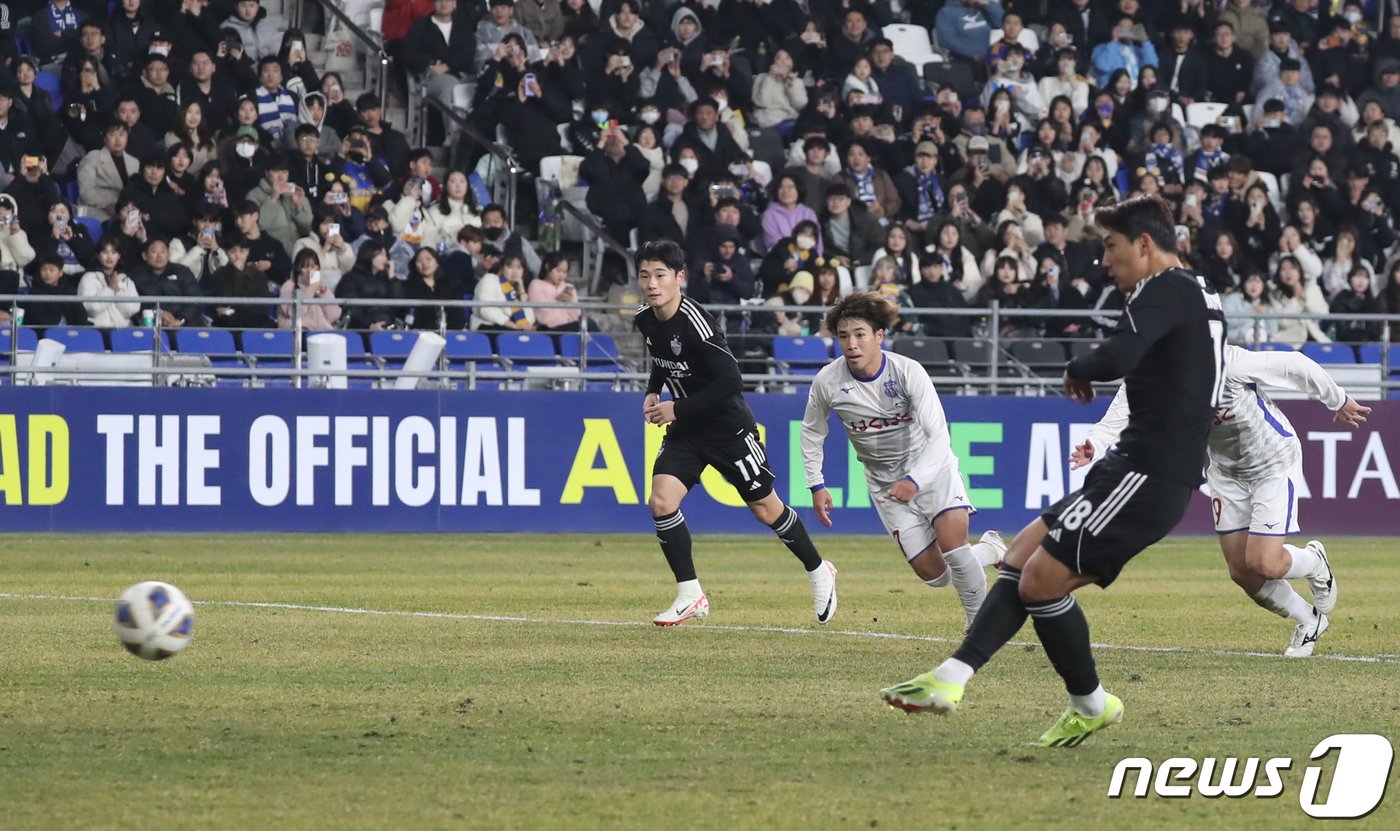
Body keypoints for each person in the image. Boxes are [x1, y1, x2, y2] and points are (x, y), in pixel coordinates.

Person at [878, 196, 1227, 748]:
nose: (1104, 262)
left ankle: (1085, 703)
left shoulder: (1162, 289)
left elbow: (1116, 358)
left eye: (1110, 248)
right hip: (1134, 466)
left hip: (1148, 473)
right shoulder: (1199, 292)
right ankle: (954, 678)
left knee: (1042, 583)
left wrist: (1077, 366)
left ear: (1143, 244)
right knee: (1019, 556)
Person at [1073, 345, 1368, 657]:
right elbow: (1123, 408)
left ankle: (1313, 561)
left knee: (1264, 562)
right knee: (1242, 572)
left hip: (1273, 463)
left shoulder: (1226, 361)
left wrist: (1337, 399)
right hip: (1227, 473)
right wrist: (1094, 442)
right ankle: (1308, 620)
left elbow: (1295, 364)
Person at [634, 239, 837, 626]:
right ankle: (690, 594)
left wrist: (675, 406)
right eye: (645, 275)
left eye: (660, 275)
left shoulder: (697, 322)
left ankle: (818, 569)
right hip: (687, 430)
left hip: (729, 430)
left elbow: (731, 381)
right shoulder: (645, 318)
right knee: (661, 501)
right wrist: (652, 390)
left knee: (766, 510)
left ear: (679, 278)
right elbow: (662, 359)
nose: (651, 283)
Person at [801, 291, 1006, 631]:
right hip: (884, 482)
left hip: (930, 467)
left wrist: (914, 480)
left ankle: (979, 625)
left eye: (859, 334)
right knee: (936, 576)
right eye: (843, 336)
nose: (851, 344)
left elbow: (939, 436)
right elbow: (812, 433)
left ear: (879, 336)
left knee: (955, 549)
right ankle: (991, 549)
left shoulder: (908, 372)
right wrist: (816, 483)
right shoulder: (828, 381)